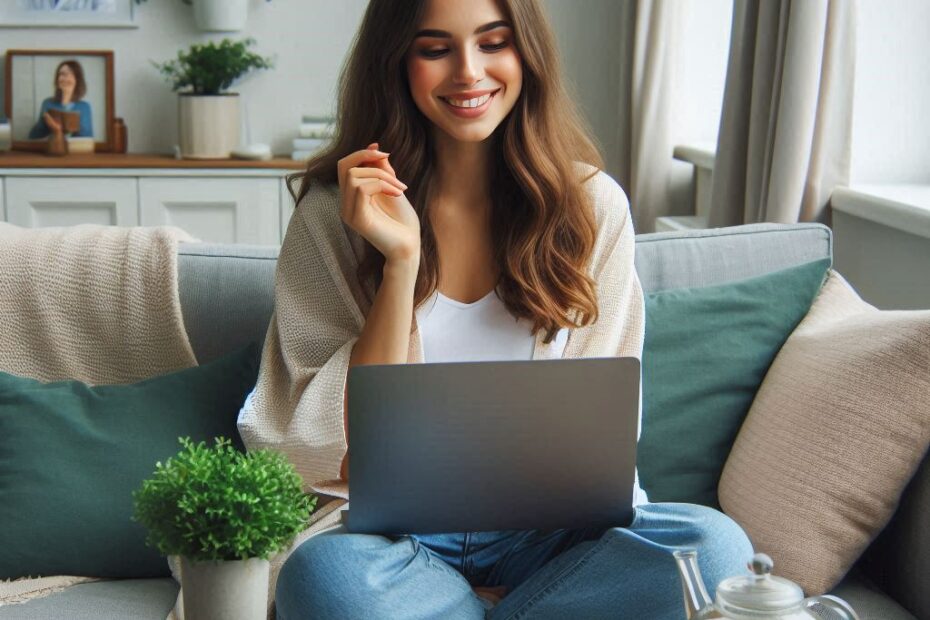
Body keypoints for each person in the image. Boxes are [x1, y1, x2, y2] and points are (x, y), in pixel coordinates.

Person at [237, 0, 753, 617]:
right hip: (392, 540)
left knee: (716, 549)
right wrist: (400, 264)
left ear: (526, 53)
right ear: (397, 62)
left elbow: (607, 430)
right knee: (322, 578)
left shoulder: (593, 209)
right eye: (435, 49)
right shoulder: (333, 217)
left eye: (492, 43)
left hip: (555, 537)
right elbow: (330, 440)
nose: (468, 73)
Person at [28, 60, 93, 140]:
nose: (65, 78)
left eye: (70, 74)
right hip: (52, 148)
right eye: (61, 74)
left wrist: (59, 130)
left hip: (75, 151)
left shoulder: (84, 107)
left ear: (77, 79)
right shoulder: (47, 103)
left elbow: (87, 138)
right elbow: (34, 136)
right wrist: (44, 122)